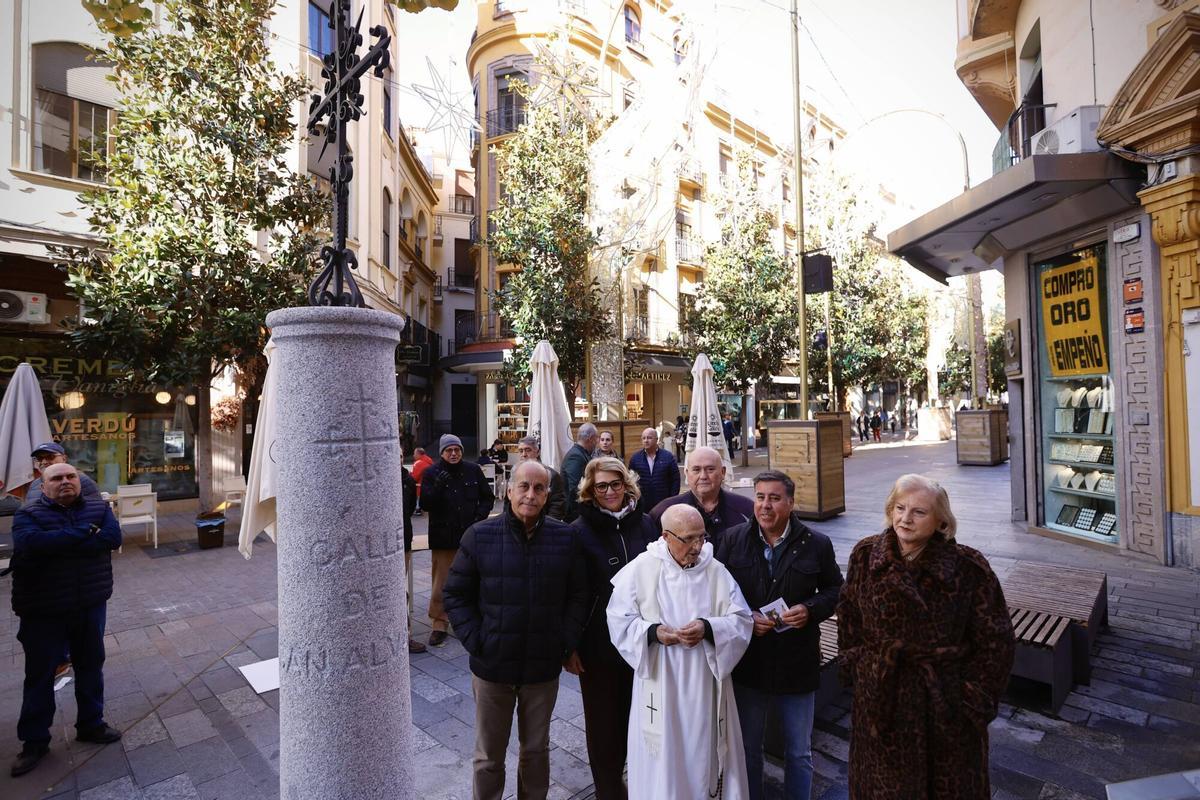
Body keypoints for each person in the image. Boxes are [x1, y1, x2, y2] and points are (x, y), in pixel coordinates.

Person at [837, 474, 1015, 799]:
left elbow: (996, 641)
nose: (906, 518)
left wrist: (971, 701)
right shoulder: (865, 557)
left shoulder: (968, 568)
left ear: (941, 522)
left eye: (919, 512)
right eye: (900, 508)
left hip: (946, 708)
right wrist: (859, 668)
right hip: (882, 702)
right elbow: (849, 617)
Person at [443, 460, 589, 800]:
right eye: (523, 486)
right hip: (493, 667)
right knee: (488, 757)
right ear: (508, 491)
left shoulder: (564, 538)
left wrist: (564, 641)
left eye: (539, 488)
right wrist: (477, 641)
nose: (530, 495)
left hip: (542, 668)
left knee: (536, 752)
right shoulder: (480, 536)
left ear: (547, 494)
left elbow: (579, 594)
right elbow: (455, 594)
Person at [607, 504, 753, 799]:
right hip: (659, 682)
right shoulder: (642, 569)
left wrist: (708, 628)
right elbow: (618, 621)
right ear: (666, 536)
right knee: (663, 760)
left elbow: (741, 620)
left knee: (701, 753)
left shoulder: (714, 571)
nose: (698, 546)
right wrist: (654, 632)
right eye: (689, 539)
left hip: (704, 683)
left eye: (702, 537)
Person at [716, 471, 844, 800]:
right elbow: (715, 594)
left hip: (797, 662)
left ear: (790, 502)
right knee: (748, 749)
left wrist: (811, 609)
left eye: (774, 498)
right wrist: (745, 620)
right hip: (749, 662)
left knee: (799, 753)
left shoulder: (816, 543)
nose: (765, 505)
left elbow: (835, 589)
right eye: (760, 497)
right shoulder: (732, 540)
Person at [9, 463, 123, 777]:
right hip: (43, 611)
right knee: (40, 675)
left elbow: (112, 538)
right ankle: (34, 741)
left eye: (70, 477)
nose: (65, 482)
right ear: (42, 486)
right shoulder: (27, 515)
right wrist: (84, 534)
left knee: (90, 666)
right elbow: (33, 545)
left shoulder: (99, 510)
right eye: (56, 478)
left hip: (89, 604)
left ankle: (91, 724)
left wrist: (61, 542)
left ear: (79, 481)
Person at [569, 457, 658, 799]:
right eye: (601, 486)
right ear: (590, 490)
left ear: (627, 485)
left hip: (644, 643)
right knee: (604, 728)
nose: (609, 492)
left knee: (641, 719)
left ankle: (642, 785)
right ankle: (609, 791)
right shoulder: (579, 530)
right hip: (599, 646)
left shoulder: (647, 524)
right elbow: (574, 592)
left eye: (615, 484)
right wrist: (571, 646)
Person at [419, 434, 494, 647]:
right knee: (441, 582)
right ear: (442, 453)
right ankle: (439, 622)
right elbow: (425, 504)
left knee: (473, 578)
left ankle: (470, 617)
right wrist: (438, 487)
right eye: (449, 450)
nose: (453, 454)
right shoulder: (432, 473)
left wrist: (479, 519)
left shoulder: (473, 470)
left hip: (470, 536)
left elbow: (487, 498)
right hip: (444, 537)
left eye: (457, 450)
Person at [650, 446, 754, 550]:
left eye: (710, 469)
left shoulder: (746, 509)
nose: (703, 476)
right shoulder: (664, 512)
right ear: (686, 473)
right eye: (696, 470)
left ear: (723, 472)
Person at [400, 449, 426, 655]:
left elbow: (408, 509)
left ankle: (405, 635)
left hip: (403, 540)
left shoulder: (407, 480)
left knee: (401, 590)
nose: (398, 459)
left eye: (401, 456)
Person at [21, 442, 101, 504]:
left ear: (64, 458)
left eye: (50, 457)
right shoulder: (35, 484)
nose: (44, 462)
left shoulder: (81, 480)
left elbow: (95, 510)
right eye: (39, 458)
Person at [628, 428, 679, 513]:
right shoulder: (635, 459)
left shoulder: (668, 457)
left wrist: (672, 499)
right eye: (643, 438)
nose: (646, 441)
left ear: (656, 439)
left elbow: (675, 479)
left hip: (663, 502)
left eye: (649, 438)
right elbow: (630, 481)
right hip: (642, 504)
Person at [515, 436, 566, 520]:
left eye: (528, 450)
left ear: (537, 452)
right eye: (521, 451)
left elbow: (557, 506)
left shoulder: (551, 475)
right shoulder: (514, 475)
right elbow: (508, 504)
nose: (524, 454)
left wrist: (547, 527)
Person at [560, 423, 598, 522]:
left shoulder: (580, 453)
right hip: (575, 514)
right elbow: (576, 488)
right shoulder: (576, 456)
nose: (597, 442)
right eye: (596, 438)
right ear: (590, 438)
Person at [411, 447, 434, 517]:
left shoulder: (418, 463)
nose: (413, 455)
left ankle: (418, 508)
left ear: (418, 454)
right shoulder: (429, 461)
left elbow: (414, 478)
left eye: (414, 454)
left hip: (419, 488)